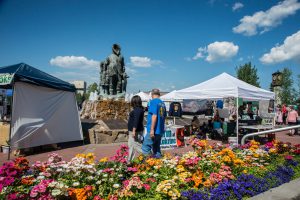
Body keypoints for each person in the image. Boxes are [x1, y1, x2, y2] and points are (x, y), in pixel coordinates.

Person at [142, 89, 166, 158]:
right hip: (160, 130)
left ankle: (148, 164)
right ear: (159, 94)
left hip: (154, 130)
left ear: (152, 95)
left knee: (145, 147)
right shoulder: (162, 103)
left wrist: (152, 129)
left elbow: (154, 115)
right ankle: (158, 164)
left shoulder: (153, 102)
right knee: (156, 148)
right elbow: (164, 117)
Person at [127, 95, 145, 162]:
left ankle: (147, 155)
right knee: (132, 145)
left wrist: (134, 131)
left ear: (134, 102)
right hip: (138, 130)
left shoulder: (137, 110)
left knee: (135, 145)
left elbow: (136, 120)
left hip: (135, 131)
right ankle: (129, 160)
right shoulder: (140, 109)